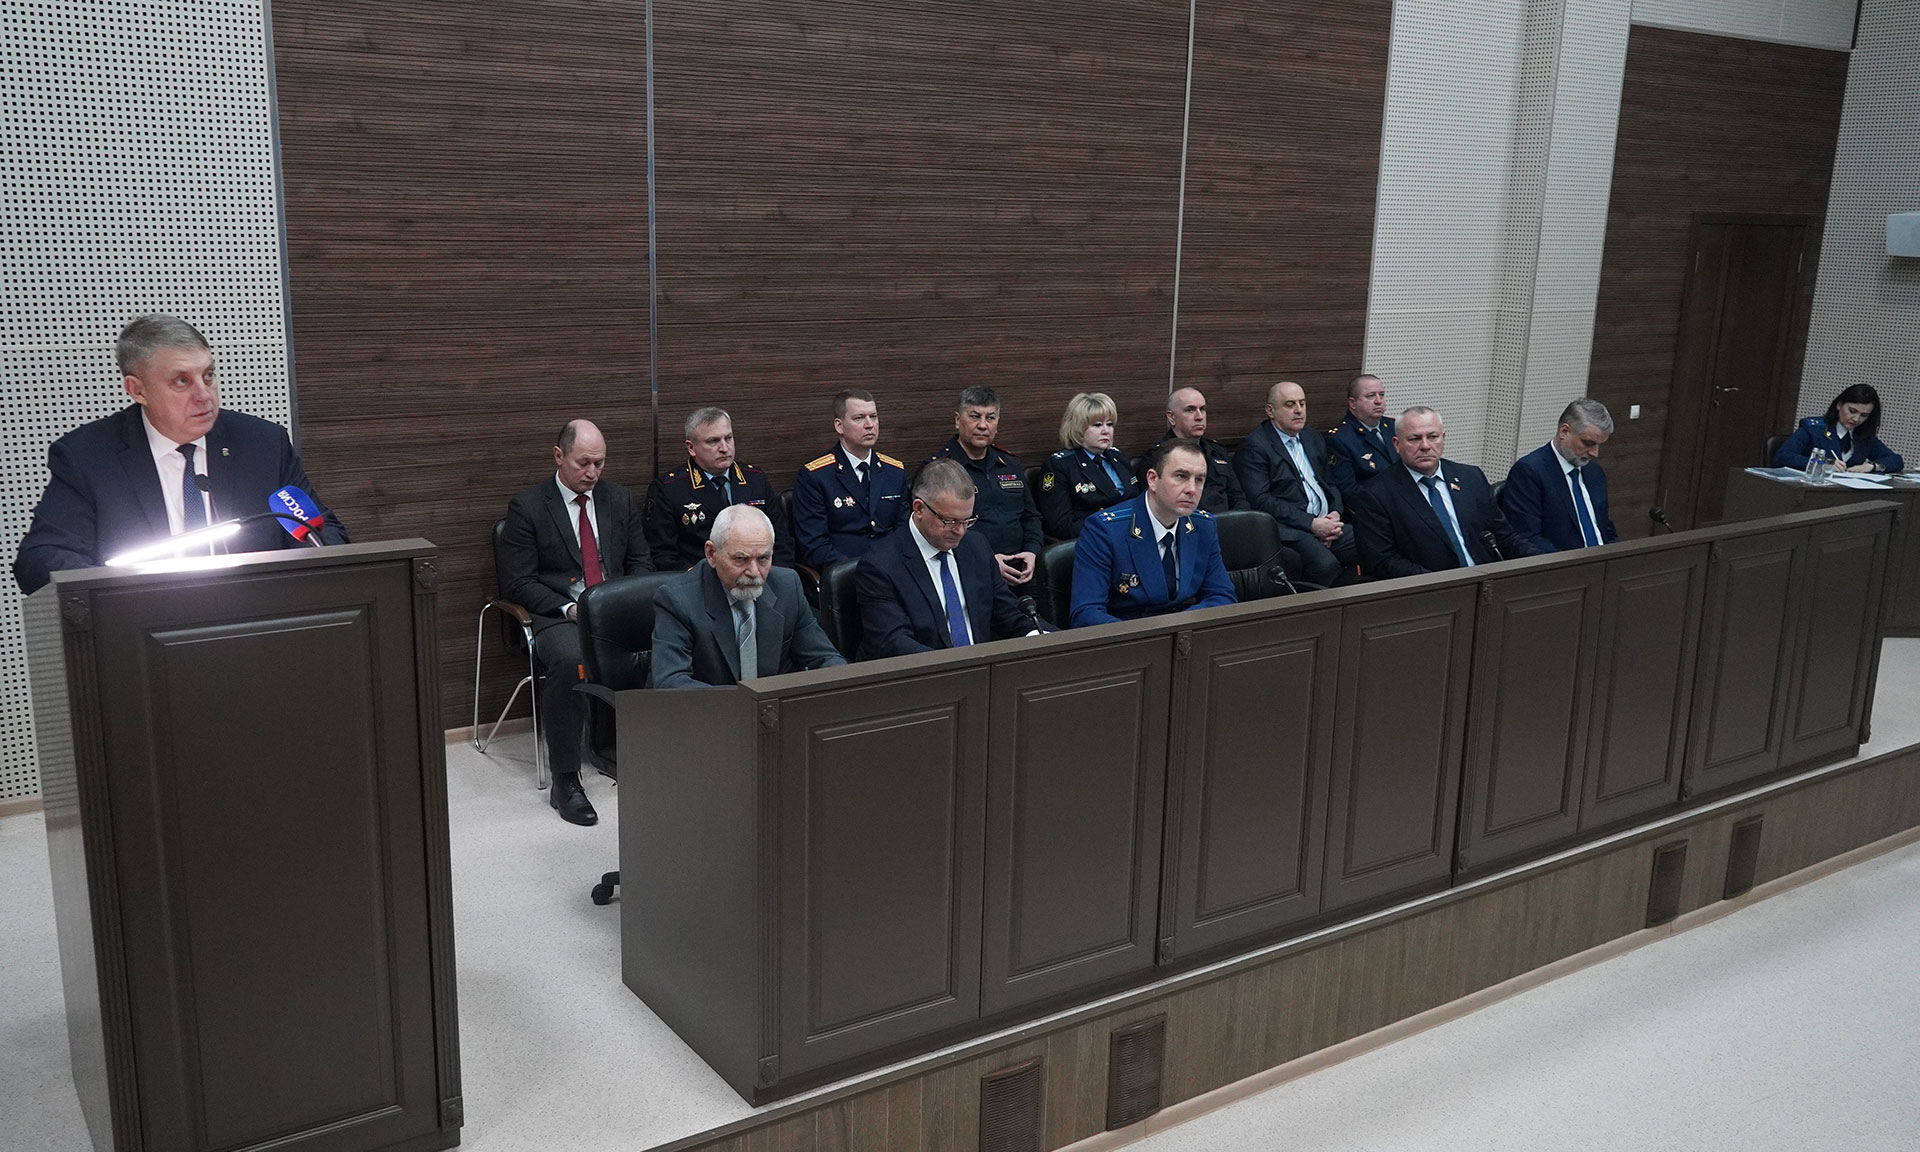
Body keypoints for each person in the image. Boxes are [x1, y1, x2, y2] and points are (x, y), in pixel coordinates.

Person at [13, 314, 349, 594]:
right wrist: (113, 595)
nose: (204, 395)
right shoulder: (89, 457)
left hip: (257, 622)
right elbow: (41, 557)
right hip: (142, 628)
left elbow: (323, 533)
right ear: (137, 390)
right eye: (181, 381)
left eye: (208, 375)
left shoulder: (262, 444)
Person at [498, 419, 653, 826]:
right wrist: (569, 609)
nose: (592, 472)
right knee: (571, 661)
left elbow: (641, 563)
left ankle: (650, 751)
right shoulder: (529, 507)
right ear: (559, 456)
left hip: (614, 608)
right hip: (558, 614)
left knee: (670, 639)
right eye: (584, 463)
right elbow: (519, 582)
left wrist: (622, 602)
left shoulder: (618, 499)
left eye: (599, 463)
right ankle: (566, 780)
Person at [855, 459, 1041, 659]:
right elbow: (894, 643)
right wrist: (956, 667)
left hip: (980, 667)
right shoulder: (880, 565)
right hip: (924, 671)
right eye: (950, 521)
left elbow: (1007, 613)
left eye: (967, 521)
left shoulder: (976, 546)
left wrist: (1039, 637)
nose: (960, 531)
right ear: (919, 509)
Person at [651, 504, 846, 687]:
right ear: (711, 554)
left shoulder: (787, 586)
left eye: (763, 558)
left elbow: (825, 658)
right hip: (710, 709)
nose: (754, 572)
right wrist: (747, 704)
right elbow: (671, 683)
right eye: (741, 559)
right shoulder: (677, 599)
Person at [1350, 406, 1536, 579]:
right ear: (1397, 445)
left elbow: (1505, 536)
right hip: (1429, 591)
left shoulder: (1471, 477)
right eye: (1414, 439)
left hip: (1486, 582)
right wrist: (1442, 583)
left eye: (1432, 437)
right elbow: (1382, 561)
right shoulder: (1376, 495)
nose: (1425, 446)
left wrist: (1543, 561)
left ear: (1443, 438)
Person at [1070, 439, 1235, 627]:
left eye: (1199, 480)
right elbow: (1086, 613)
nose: (1191, 489)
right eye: (1181, 476)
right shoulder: (1105, 530)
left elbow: (1222, 595)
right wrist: (1152, 634)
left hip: (1187, 633)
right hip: (1130, 638)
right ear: (1152, 480)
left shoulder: (1203, 525)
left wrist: (1179, 626)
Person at [1234, 380, 1359, 587]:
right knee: (1325, 565)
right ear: (1270, 411)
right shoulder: (1256, 446)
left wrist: (1335, 513)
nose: (1299, 410)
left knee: (1373, 541)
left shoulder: (1312, 437)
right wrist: (1312, 524)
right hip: (1290, 529)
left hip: (1327, 522)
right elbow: (1260, 500)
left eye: (1302, 403)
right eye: (1290, 405)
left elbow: (1329, 483)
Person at [643, 406, 792, 571]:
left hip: (759, 576)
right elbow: (662, 556)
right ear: (691, 448)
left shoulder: (755, 479)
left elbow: (781, 541)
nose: (724, 448)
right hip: (701, 580)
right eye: (713, 441)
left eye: (728, 438)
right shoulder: (668, 489)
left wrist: (773, 577)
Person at [927, 386, 1043, 587]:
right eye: (974, 416)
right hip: (969, 571)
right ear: (957, 420)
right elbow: (936, 531)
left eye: (990, 418)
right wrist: (987, 560)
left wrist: (1032, 551)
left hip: (1022, 569)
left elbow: (1031, 517)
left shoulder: (1010, 464)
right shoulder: (941, 469)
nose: (982, 425)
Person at [791, 389, 908, 567]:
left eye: (873, 417)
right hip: (846, 573)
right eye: (859, 418)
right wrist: (863, 570)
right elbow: (815, 547)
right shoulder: (815, 476)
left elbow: (905, 531)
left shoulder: (894, 471)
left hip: (894, 567)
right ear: (839, 426)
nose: (869, 425)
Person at [1500, 398, 1621, 553]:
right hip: (1562, 564)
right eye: (1588, 443)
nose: (1595, 453)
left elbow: (1604, 527)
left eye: (1599, 445)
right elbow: (1528, 537)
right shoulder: (1529, 471)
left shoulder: (1594, 472)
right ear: (1564, 431)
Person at [1037, 391, 1141, 539]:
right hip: (1095, 540)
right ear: (1078, 428)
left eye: (1109, 424)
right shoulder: (1060, 465)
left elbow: (1138, 503)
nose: (1106, 431)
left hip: (1133, 536)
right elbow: (1060, 526)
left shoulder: (1119, 458)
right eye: (1097, 425)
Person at [1147, 387, 1247, 515]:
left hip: (1226, 523)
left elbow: (1238, 498)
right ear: (1171, 417)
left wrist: (1238, 522)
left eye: (1203, 409)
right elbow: (1155, 506)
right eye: (1190, 410)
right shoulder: (1158, 455)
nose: (1199, 417)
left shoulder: (1217, 451)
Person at [1773, 384, 1905, 474]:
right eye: (1852, 411)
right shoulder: (1813, 429)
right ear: (1839, 405)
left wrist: (1871, 466)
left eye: (1864, 415)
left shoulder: (1863, 436)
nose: (1856, 419)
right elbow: (1782, 457)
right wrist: (1822, 463)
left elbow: (1896, 460)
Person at [1327, 373, 1396, 502]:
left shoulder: (1394, 427)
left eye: (1381, 395)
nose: (1378, 401)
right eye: (1371, 396)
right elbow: (1348, 491)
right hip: (1374, 506)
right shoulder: (1340, 439)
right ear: (1352, 403)